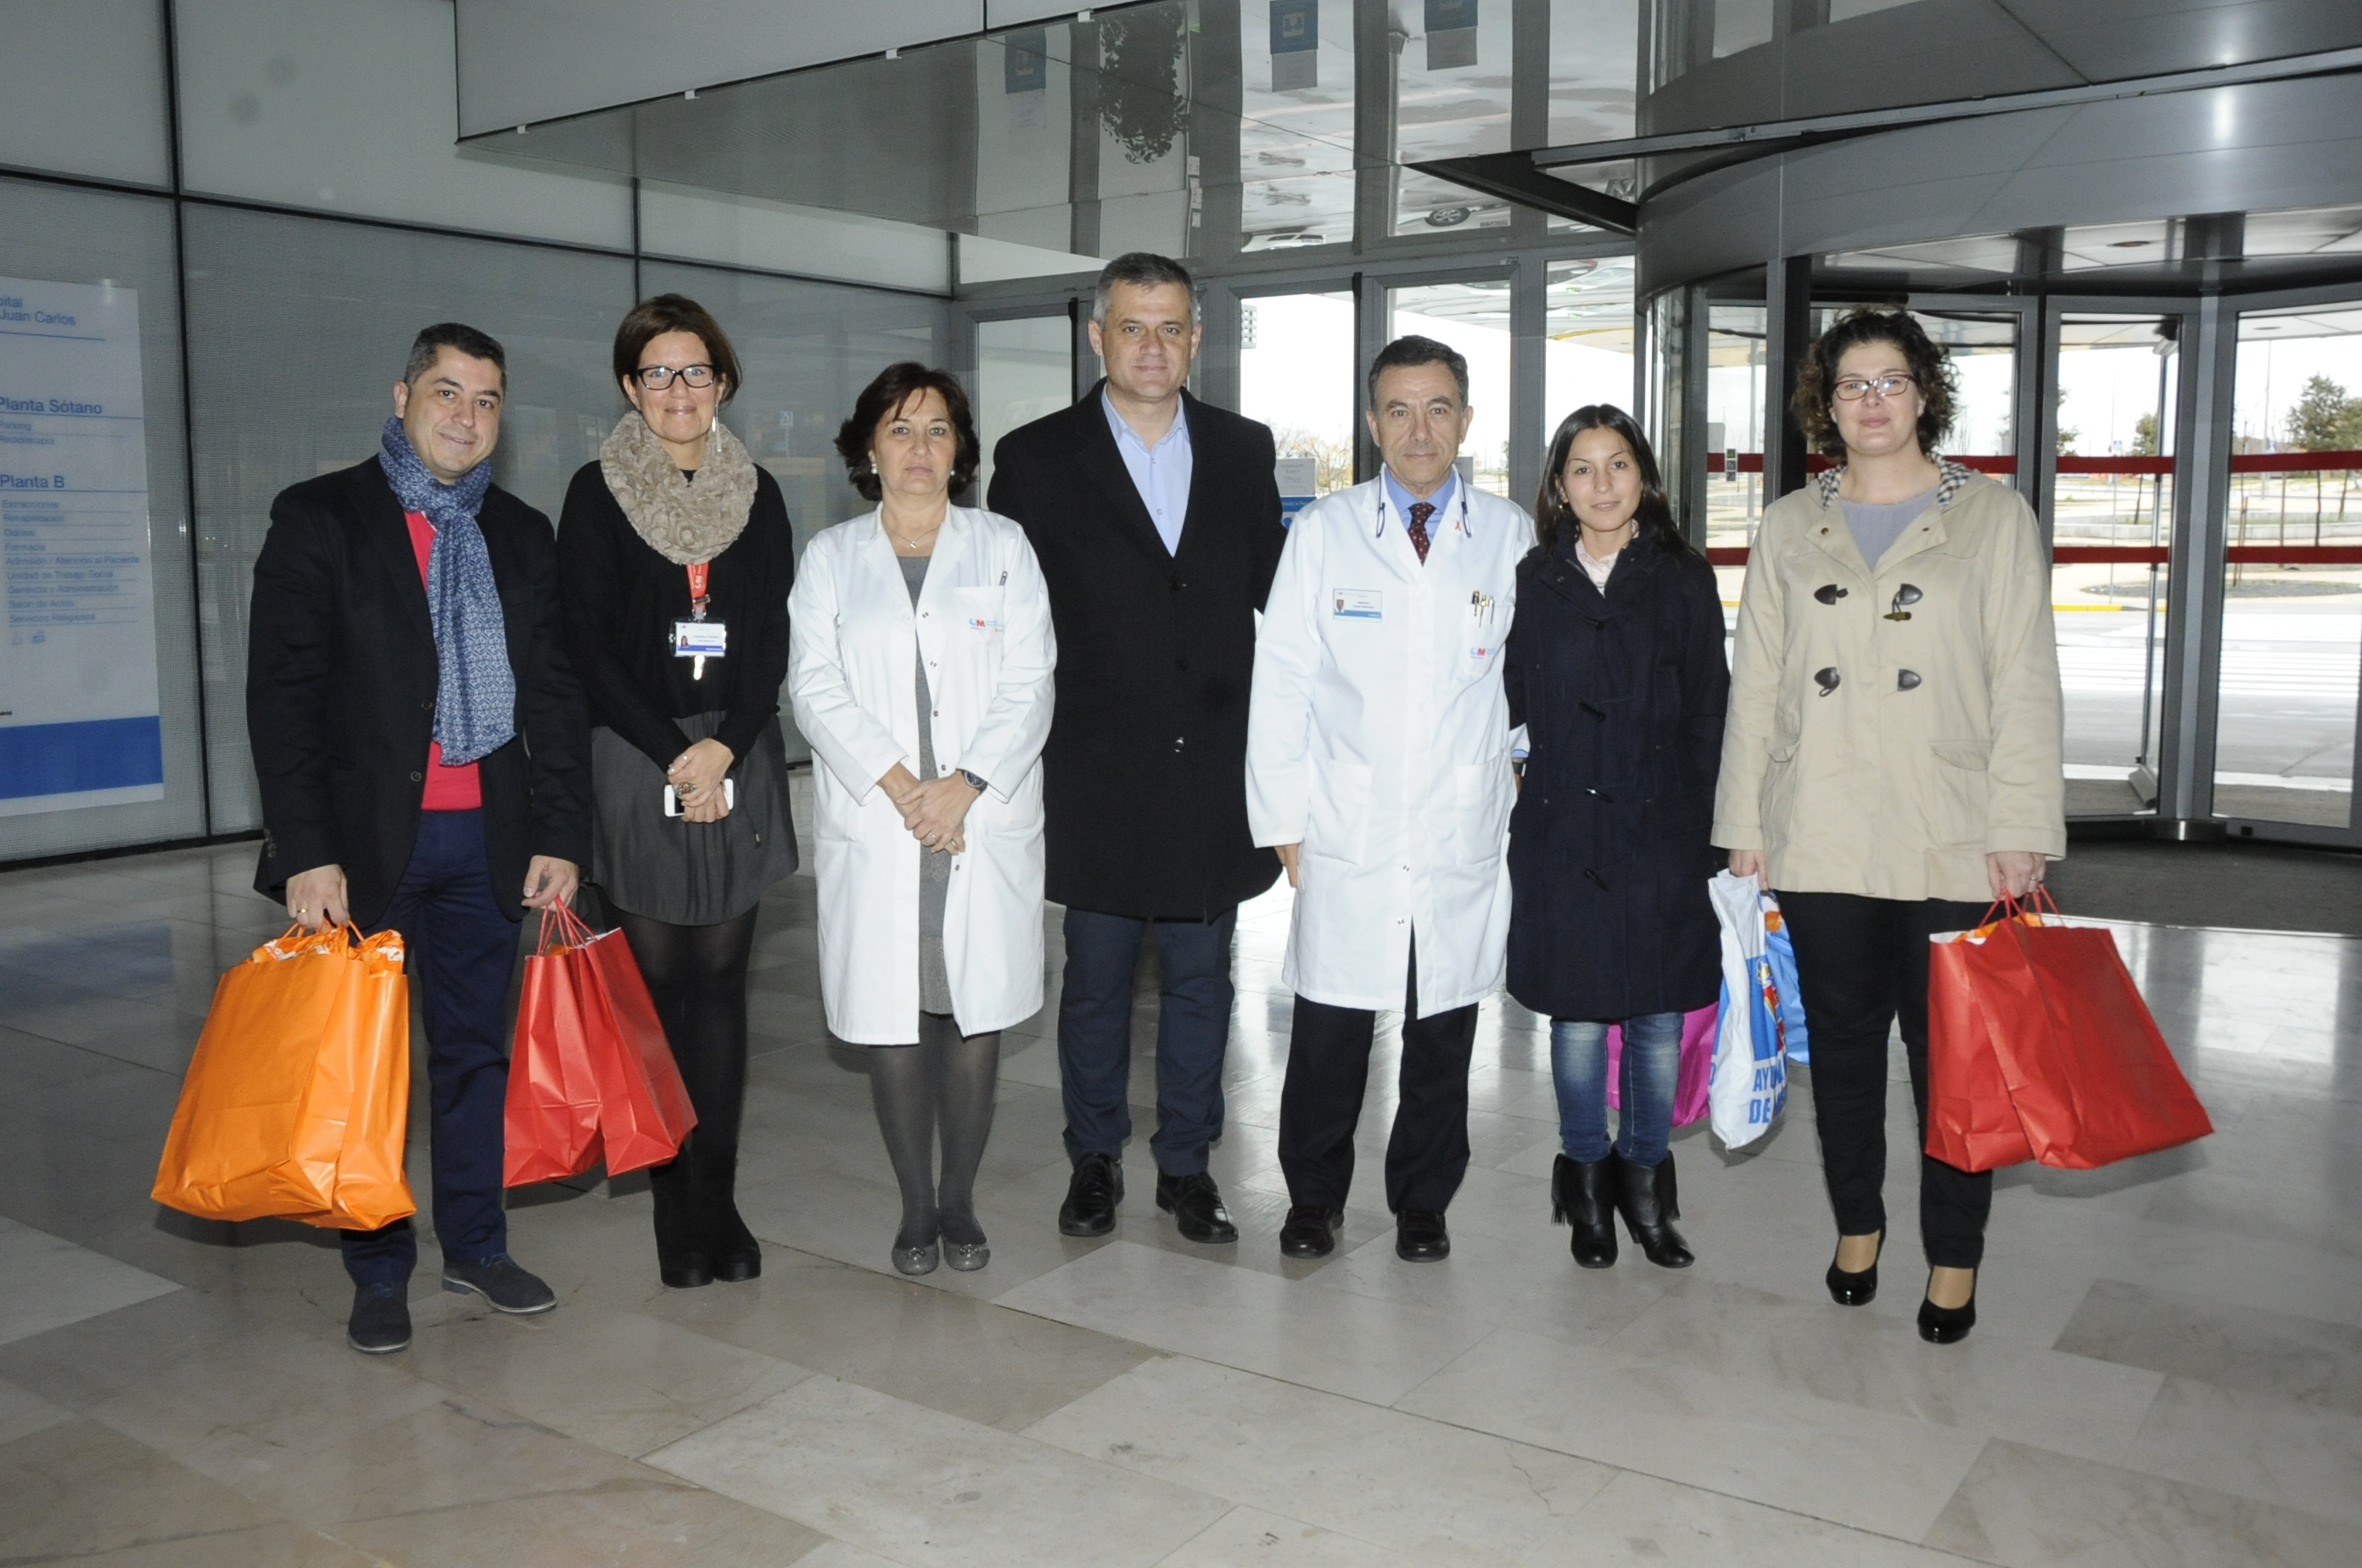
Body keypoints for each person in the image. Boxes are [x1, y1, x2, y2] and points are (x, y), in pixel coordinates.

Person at [1715, 305, 2063, 1344]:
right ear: (1825, 404)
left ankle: (1953, 1255)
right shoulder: (1789, 523)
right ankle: (1857, 1226)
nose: (1871, 401)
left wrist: (2022, 825)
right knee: (1845, 1047)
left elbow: (2026, 684)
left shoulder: (1993, 517)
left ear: (1924, 394)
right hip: (1820, 825)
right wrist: (1743, 823)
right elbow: (1755, 686)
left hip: (1952, 830)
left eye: (1891, 381)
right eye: (1851, 384)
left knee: (1956, 1061)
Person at [248, 322, 589, 1354]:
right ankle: (378, 1266)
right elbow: (282, 699)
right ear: (401, 398)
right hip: (363, 855)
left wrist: (561, 832)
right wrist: (306, 851)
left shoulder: (519, 533)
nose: (466, 416)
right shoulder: (321, 518)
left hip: (489, 844)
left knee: (478, 1055)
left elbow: (556, 696)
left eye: (486, 400)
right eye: (447, 392)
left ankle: (477, 1245)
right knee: (368, 1070)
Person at [986, 253, 1285, 1245]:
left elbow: (1278, 601)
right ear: (1097, 337)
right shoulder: (1035, 458)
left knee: (1204, 980)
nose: (1152, 346)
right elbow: (1006, 623)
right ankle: (1096, 1158)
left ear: (1196, 338)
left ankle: (1189, 1166)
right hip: (1097, 773)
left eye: (1171, 328)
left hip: (1210, 772)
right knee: (1097, 980)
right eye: (1132, 327)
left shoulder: (1243, 450)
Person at [1245, 335, 1536, 1263]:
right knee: (1329, 1027)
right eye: (1400, 410)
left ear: (1466, 420)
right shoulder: (1326, 532)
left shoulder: (1509, 534)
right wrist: (1281, 817)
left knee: (1442, 1025)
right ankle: (1313, 1200)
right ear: (1373, 424)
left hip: (1459, 819)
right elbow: (1282, 679)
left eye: (1438, 408)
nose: (1419, 430)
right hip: (1349, 819)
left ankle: (1423, 1202)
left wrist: (1518, 770)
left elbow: (1531, 677)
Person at [557, 294, 798, 1290]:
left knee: (723, 987)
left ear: (723, 382)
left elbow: (772, 636)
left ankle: (719, 1195)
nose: (678, 390)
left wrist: (726, 749)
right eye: (656, 373)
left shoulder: (759, 494)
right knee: (660, 993)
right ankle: (673, 1202)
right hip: (636, 753)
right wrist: (675, 754)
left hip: (736, 754)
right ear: (630, 387)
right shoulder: (596, 493)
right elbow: (587, 646)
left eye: (695, 370)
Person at [791, 363, 1055, 1274]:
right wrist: (907, 787)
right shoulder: (831, 557)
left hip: (976, 815)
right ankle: (915, 1206)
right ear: (868, 447)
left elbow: (1032, 678)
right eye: (899, 429)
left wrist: (965, 784)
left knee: (972, 1012)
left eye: (937, 429)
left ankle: (960, 1201)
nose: (919, 447)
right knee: (896, 1014)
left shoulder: (1004, 546)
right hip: (886, 816)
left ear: (959, 450)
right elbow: (813, 686)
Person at [1503, 405, 1727, 1272]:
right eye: (1582, 468)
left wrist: (1716, 832)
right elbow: (1503, 702)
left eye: (1619, 464)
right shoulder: (1532, 580)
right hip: (1563, 832)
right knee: (1579, 1022)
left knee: (1659, 1019)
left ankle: (1647, 1188)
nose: (1602, 484)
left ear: (1644, 476)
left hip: (1662, 828)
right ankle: (1586, 1188)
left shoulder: (1683, 577)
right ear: (1559, 486)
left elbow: (1711, 711)